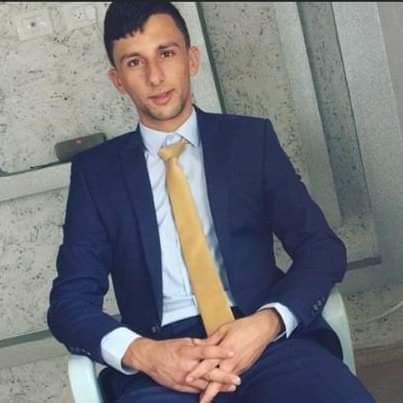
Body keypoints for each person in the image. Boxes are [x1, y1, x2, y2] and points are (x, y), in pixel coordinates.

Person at [47, 2, 375, 402]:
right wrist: (144, 354)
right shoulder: (97, 175)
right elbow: (69, 303)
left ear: (191, 58)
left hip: (266, 342)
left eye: (166, 53)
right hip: (160, 368)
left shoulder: (249, 142)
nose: (154, 76)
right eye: (134, 62)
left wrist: (268, 322)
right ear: (118, 80)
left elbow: (321, 247)